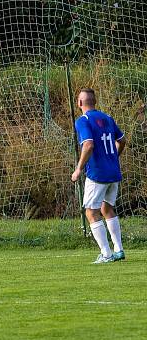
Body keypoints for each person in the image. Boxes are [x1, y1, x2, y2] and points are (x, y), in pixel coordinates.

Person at [71, 88, 126, 264]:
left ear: (80, 103)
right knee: (107, 209)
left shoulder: (83, 120)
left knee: (91, 212)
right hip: (114, 172)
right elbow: (122, 140)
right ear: (95, 102)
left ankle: (106, 254)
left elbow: (88, 145)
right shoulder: (108, 118)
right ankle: (118, 250)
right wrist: (113, 157)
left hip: (97, 174)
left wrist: (79, 169)